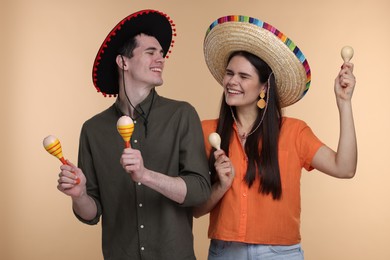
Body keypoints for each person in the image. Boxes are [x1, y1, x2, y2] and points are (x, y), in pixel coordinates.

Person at [193, 15, 357, 260]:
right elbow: (196, 209)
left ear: (264, 87)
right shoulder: (206, 132)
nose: (232, 82)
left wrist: (344, 103)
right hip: (225, 252)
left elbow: (344, 168)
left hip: (280, 254)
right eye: (229, 74)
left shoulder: (295, 132)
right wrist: (221, 185)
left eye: (243, 76)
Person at [57, 9, 211, 260]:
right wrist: (80, 195)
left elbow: (200, 190)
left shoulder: (181, 115)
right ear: (123, 62)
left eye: (161, 53)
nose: (160, 59)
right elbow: (91, 213)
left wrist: (146, 175)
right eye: (150, 52)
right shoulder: (93, 130)